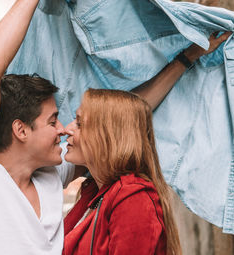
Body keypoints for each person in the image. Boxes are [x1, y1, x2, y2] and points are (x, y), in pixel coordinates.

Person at [0, 0, 230, 254]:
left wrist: (185, 59)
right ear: (21, 130)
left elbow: (119, 120)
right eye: (52, 121)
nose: (63, 129)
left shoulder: (49, 174)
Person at [63, 89, 179, 255]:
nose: (67, 129)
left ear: (108, 135)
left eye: (80, 124)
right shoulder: (95, 192)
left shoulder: (133, 197)